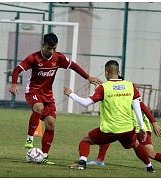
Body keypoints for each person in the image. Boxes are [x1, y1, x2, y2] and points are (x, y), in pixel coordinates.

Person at [9, 33, 102, 165]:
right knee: (39, 107)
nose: (52, 51)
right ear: (43, 45)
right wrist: (14, 83)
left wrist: (88, 77)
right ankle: (30, 137)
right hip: (33, 91)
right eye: (49, 48)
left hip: (48, 94)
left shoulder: (58, 58)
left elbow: (73, 66)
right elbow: (17, 70)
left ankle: (44, 156)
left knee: (51, 123)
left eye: (54, 48)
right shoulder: (34, 58)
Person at [64, 60, 156, 172]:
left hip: (109, 130)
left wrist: (71, 94)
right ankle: (149, 167)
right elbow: (137, 107)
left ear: (106, 73)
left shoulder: (104, 87)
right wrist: (141, 128)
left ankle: (82, 162)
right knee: (136, 144)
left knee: (85, 140)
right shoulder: (130, 86)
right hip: (127, 129)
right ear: (119, 72)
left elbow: (85, 103)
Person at [86, 76, 161, 173]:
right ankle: (100, 159)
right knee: (107, 132)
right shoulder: (118, 96)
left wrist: (154, 123)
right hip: (128, 127)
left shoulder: (129, 94)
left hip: (141, 128)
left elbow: (144, 108)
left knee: (150, 153)